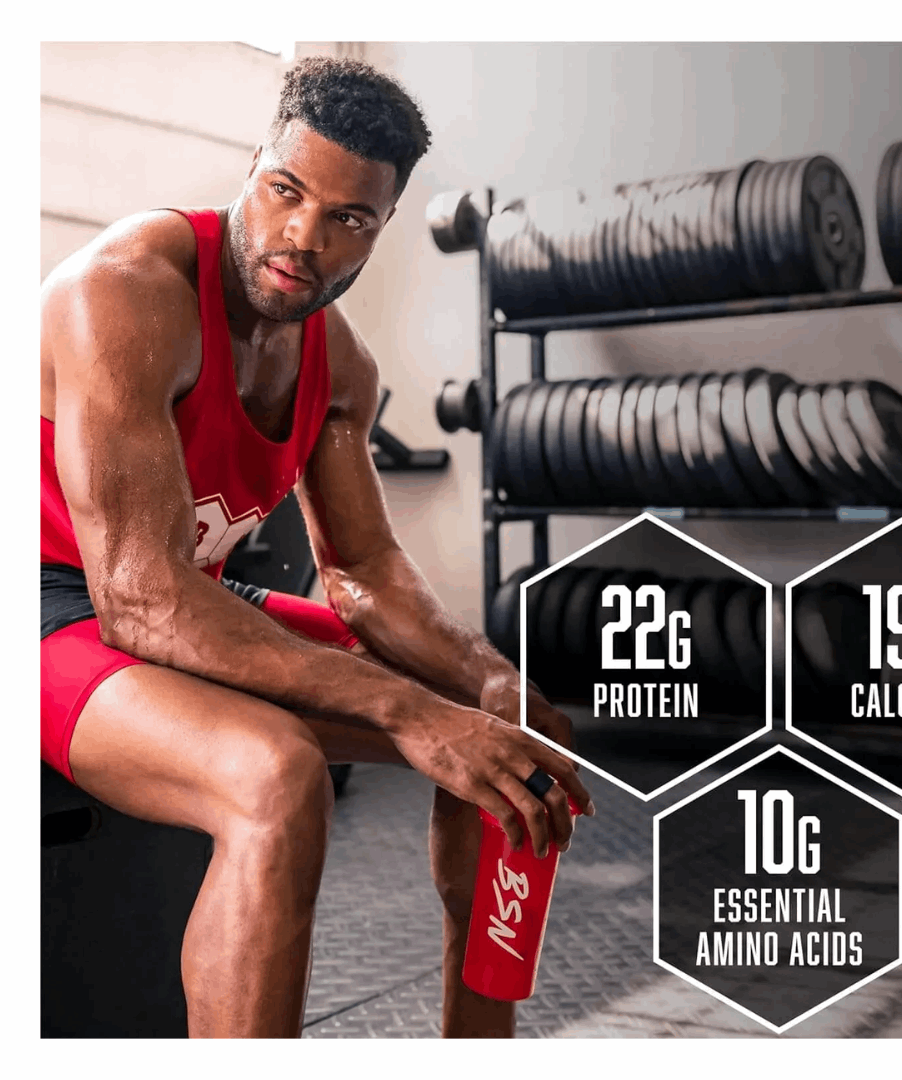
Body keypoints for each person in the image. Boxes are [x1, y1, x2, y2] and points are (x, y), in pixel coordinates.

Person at [40, 55, 593, 1039]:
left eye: (349, 218)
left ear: (382, 227)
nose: (304, 237)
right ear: (254, 165)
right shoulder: (123, 294)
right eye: (287, 191)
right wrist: (406, 708)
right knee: (278, 775)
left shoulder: (340, 366)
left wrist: (487, 678)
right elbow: (139, 599)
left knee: (503, 743)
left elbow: (363, 572)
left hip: (186, 600)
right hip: (54, 607)